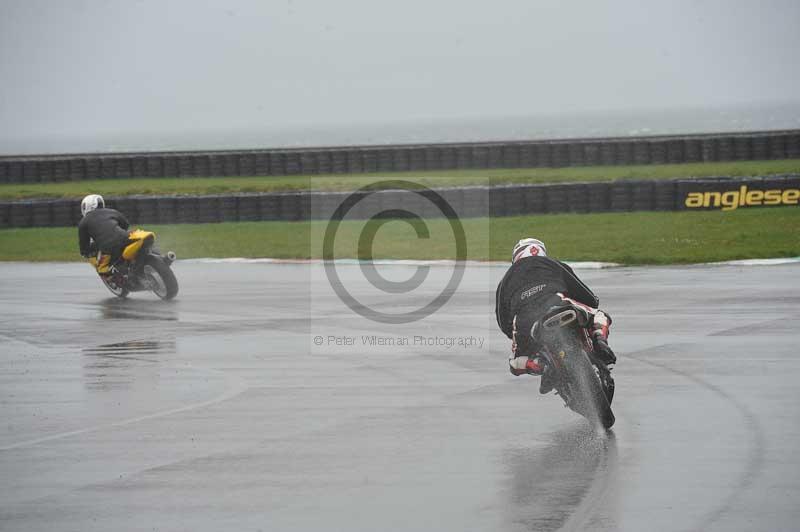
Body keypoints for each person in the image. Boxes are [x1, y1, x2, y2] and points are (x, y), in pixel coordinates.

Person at [495, 238, 616, 394]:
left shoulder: (505, 280)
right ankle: (600, 340)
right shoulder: (553, 264)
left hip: (525, 320)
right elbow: (585, 294)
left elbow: (502, 320)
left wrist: (516, 336)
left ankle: (540, 366)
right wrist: (591, 302)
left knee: (514, 363)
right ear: (542, 252)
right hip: (558, 303)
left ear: (516, 257)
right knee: (599, 315)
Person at [78, 194, 131, 273]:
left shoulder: (84, 221)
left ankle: (117, 276)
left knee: (103, 271)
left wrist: (84, 253)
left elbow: (84, 242)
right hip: (125, 238)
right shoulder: (112, 211)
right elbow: (126, 224)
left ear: (87, 206)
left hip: (108, 247)